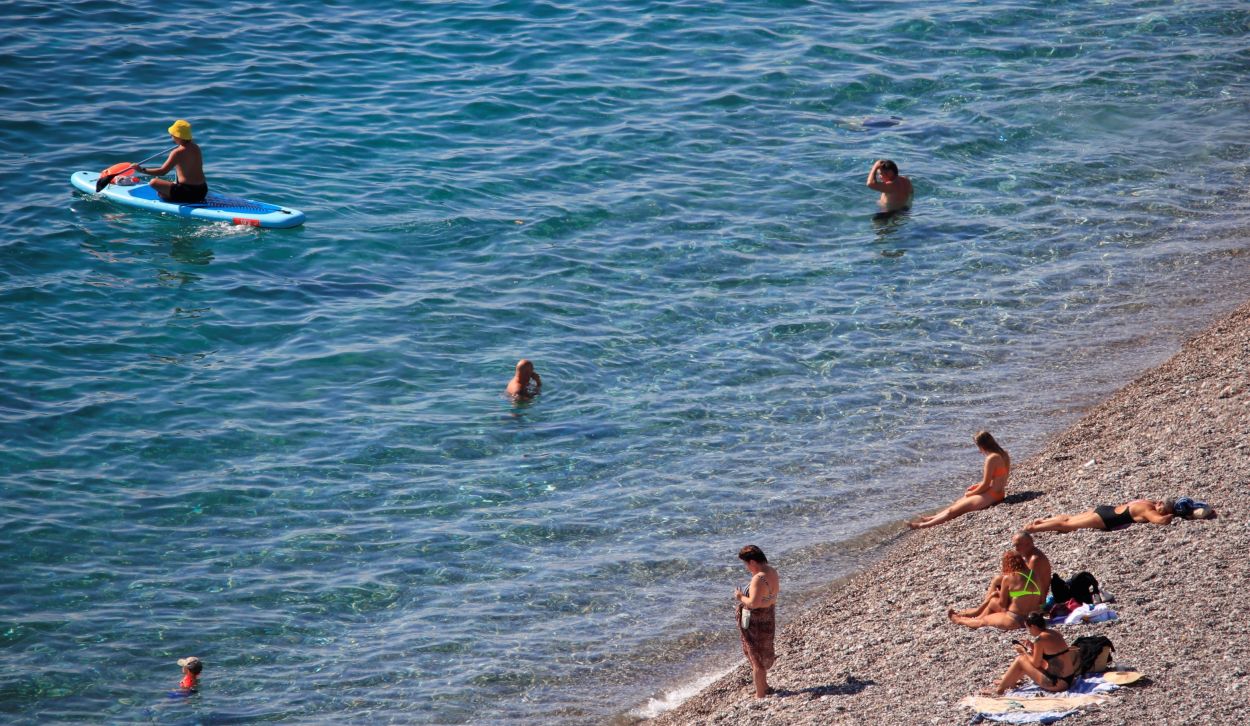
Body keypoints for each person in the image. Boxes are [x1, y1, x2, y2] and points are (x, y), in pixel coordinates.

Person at [908, 431, 1010, 530]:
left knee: (953, 511)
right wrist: (978, 487)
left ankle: (921, 526)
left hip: (993, 495)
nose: (979, 450)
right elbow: (1001, 479)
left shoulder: (991, 458)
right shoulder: (1004, 454)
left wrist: (971, 494)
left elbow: (986, 484)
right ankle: (933, 518)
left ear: (981, 445)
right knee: (959, 502)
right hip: (998, 492)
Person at [951, 532, 1050, 620]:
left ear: (1029, 543)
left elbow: (1028, 581)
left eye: (1018, 545)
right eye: (1015, 545)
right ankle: (981, 612)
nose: (1016, 549)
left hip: (1034, 602)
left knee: (998, 580)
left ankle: (980, 611)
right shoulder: (1032, 555)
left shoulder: (1034, 559)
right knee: (999, 580)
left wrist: (1006, 586)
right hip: (1034, 597)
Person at [985, 612, 1078, 695]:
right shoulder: (1054, 633)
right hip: (1069, 679)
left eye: (1028, 628)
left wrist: (1024, 651)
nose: (1028, 631)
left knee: (1021, 659)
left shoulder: (1040, 640)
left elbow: (1036, 663)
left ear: (1033, 626)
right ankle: (1008, 681)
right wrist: (1033, 646)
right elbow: (1051, 655)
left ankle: (999, 690)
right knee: (1024, 660)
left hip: (1057, 683)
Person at [949, 550, 1043, 631]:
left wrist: (999, 593)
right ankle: (976, 616)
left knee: (984, 621)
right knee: (993, 602)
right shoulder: (1034, 575)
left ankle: (959, 620)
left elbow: (1002, 604)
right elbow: (1041, 600)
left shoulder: (1009, 578)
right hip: (1035, 618)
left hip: (1015, 619)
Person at [734, 544, 780, 698]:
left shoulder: (758, 578)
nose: (746, 567)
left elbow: (753, 603)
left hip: (756, 621)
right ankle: (765, 686)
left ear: (752, 562)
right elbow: (771, 597)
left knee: (756, 658)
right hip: (768, 616)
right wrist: (764, 603)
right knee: (762, 650)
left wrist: (740, 596)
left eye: (746, 564)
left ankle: (760, 693)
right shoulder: (772, 571)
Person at [135, 120, 207, 203]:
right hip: (202, 191)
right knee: (173, 182)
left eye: (172, 135)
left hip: (188, 193)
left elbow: (162, 172)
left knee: (153, 182)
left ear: (178, 136)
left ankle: (169, 197)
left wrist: (141, 170)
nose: (171, 136)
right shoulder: (196, 147)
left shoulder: (177, 152)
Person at [1024, 499, 1190, 534]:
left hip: (1106, 509)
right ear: (1161, 506)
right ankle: (1034, 528)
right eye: (1163, 509)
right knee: (1068, 525)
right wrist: (1172, 516)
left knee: (1069, 517)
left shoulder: (1148, 501)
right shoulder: (1148, 509)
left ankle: (1044, 520)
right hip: (1106, 519)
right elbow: (1160, 521)